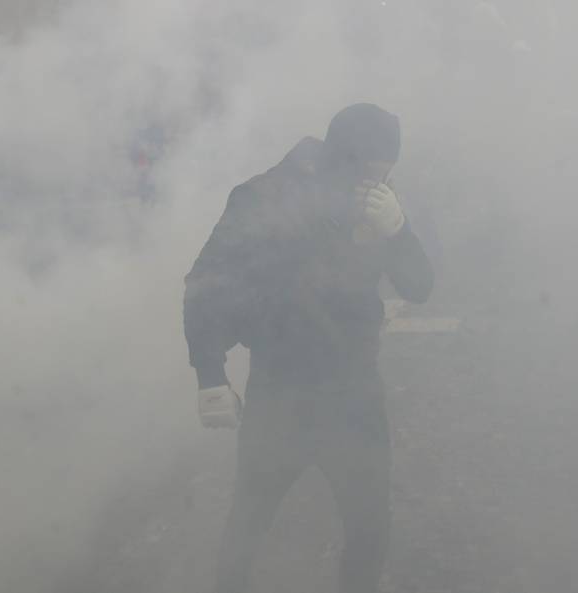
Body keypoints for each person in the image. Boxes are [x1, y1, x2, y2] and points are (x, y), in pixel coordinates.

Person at [183, 103, 433, 593]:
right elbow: (206, 286)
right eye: (372, 172)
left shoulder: (375, 203)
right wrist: (209, 374)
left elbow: (419, 286)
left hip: (354, 397)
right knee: (249, 523)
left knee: (369, 527)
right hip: (281, 394)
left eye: (387, 174)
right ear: (344, 158)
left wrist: (400, 231)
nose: (378, 185)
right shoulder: (264, 198)